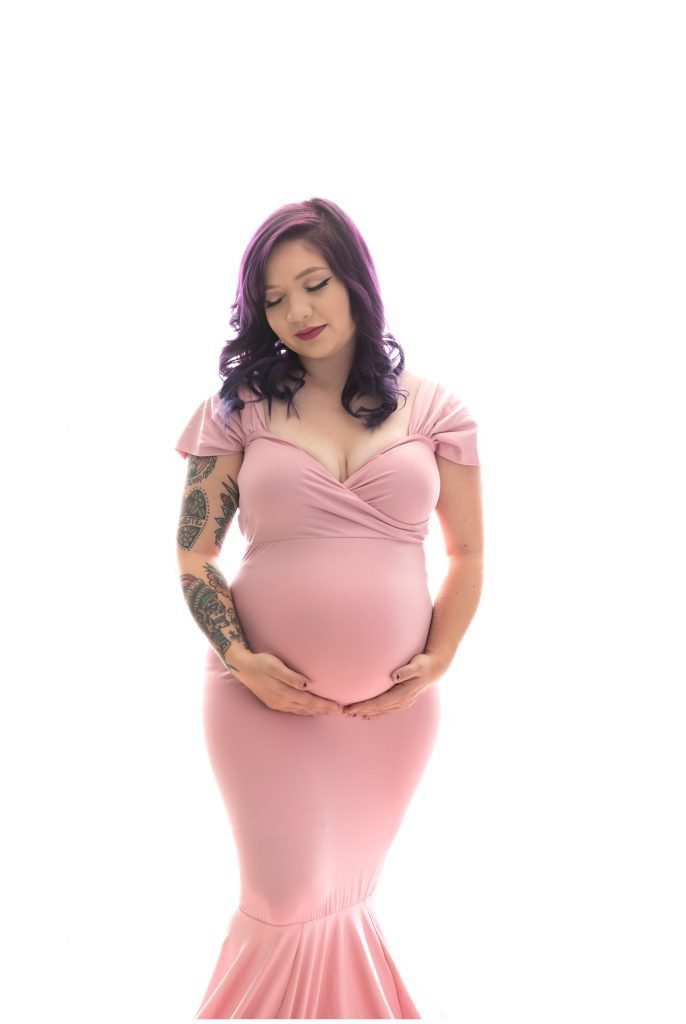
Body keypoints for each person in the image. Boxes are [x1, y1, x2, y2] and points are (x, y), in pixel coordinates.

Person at [174, 196, 483, 1019]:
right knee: (284, 901)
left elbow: (467, 554)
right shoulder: (238, 409)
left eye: (313, 284)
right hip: (257, 700)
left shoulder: (435, 410)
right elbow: (195, 552)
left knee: (336, 902)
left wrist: (437, 660)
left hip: (393, 716)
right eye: (274, 298)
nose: (298, 311)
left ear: (355, 279)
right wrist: (243, 661)